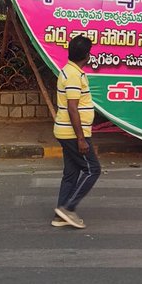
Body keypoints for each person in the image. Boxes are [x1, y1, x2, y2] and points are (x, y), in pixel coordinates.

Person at [52, 34, 101, 230]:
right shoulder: (73, 75)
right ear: (87, 55)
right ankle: (68, 207)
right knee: (92, 170)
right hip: (73, 134)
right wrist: (81, 138)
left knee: (71, 173)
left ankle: (60, 213)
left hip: (66, 132)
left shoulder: (70, 71)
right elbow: (73, 107)